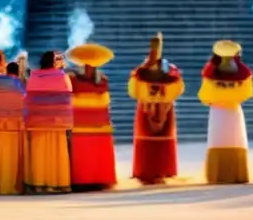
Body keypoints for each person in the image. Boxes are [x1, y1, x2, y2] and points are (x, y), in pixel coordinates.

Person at [128, 33, 184, 185]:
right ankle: (145, 172)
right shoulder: (142, 69)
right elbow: (134, 88)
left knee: (163, 142)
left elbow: (178, 86)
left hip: (164, 107)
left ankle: (165, 170)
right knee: (147, 142)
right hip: (147, 107)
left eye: (158, 47)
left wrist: (165, 99)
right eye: (153, 47)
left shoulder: (169, 69)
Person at [198, 40, 253, 185]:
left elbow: (205, 94)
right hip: (231, 109)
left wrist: (218, 96)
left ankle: (218, 175)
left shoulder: (211, 71)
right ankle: (236, 174)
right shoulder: (243, 72)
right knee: (232, 139)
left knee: (222, 139)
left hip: (219, 110)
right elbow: (246, 93)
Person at [66, 43, 118, 190]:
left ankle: (100, 179)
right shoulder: (72, 79)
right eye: (86, 66)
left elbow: (105, 100)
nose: (89, 68)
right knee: (82, 155)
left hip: (98, 125)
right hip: (79, 124)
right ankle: (79, 180)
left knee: (96, 155)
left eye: (91, 66)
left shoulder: (102, 80)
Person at [24, 50, 74, 194]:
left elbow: (29, 98)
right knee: (57, 152)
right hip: (57, 122)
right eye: (58, 59)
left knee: (39, 152)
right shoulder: (62, 76)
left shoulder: (34, 76)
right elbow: (67, 99)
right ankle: (58, 183)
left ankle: (38, 184)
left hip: (37, 122)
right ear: (53, 62)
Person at [0, 50, 26, 195]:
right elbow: (22, 101)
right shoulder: (12, 83)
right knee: (10, 156)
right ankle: (9, 185)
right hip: (12, 125)